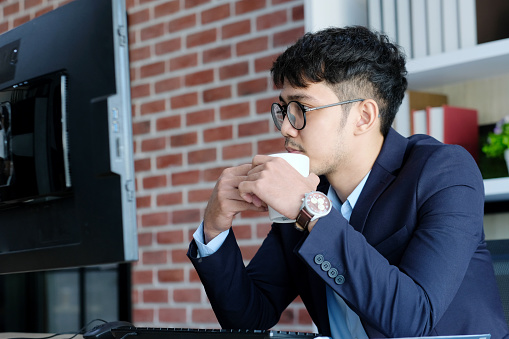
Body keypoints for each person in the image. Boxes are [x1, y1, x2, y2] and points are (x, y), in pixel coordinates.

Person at [187, 26, 509, 338]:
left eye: (302, 108)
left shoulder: (444, 172)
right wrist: (215, 229)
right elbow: (250, 317)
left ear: (364, 117)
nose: (285, 127)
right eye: (283, 110)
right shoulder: (307, 190)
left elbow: (413, 318)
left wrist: (309, 210)